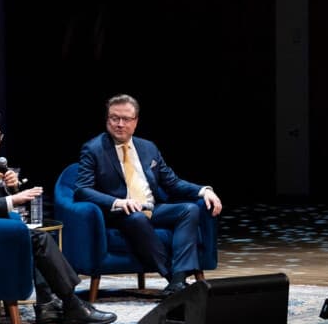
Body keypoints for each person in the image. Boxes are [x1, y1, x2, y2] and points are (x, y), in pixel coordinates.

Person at [0, 103, 117, 324]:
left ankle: (48, 305)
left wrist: (8, 188)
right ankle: (71, 304)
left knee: (32, 235)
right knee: (37, 239)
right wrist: (15, 199)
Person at [74, 94, 223, 294]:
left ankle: (178, 280)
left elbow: (172, 182)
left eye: (125, 119)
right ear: (107, 120)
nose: (119, 124)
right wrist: (117, 202)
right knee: (136, 218)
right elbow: (82, 189)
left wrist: (203, 190)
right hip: (121, 214)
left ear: (135, 122)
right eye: (114, 118)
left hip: (152, 207)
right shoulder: (93, 149)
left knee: (189, 210)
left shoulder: (147, 147)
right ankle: (173, 276)